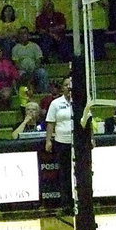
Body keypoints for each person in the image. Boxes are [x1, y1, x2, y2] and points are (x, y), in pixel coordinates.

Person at [45, 77, 74, 214]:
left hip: (78, 143)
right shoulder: (56, 104)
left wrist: (91, 138)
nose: (69, 87)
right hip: (62, 142)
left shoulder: (80, 102)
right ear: (62, 87)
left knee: (80, 173)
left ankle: (80, 202)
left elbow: (88, 119)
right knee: (65, 173)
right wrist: (48, 140)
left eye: (71, 84)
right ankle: (66, 204)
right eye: (66, 85)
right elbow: (50, 122)